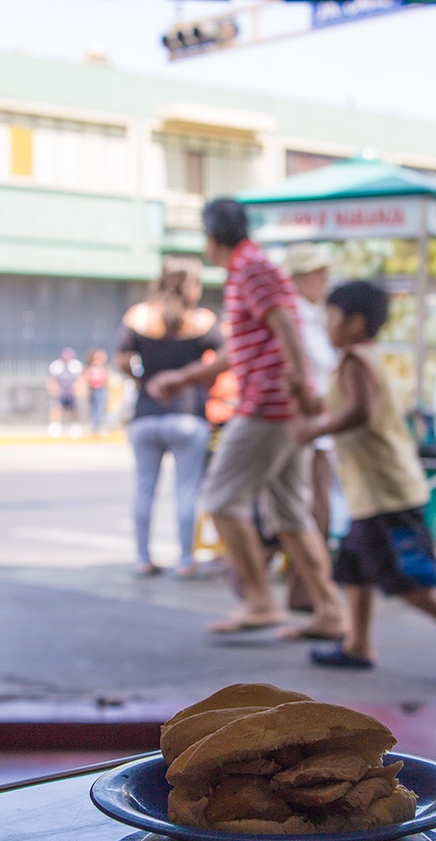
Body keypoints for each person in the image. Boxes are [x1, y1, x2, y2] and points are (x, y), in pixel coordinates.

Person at [147, 198, 345, 639]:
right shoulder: (250, 269)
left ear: (212, 238)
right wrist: (186, 378)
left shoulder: (251, 268)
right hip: (279, 404)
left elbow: (285, 328)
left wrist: (304, 389)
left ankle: (259, 601)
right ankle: (330, 610)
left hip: (268, 406)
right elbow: (246, 347)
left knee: (220, 498)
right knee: (292, 513)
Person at [293, 280, 436, 680]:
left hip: (384, 490)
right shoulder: (356, 360)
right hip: (371, 490)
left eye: (332, 315)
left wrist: (312, 431)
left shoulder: (356, 361)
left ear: (356, 323)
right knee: (355, 567)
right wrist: (301, 398)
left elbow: (359, 412)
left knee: (396, 573)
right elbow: (333, 405)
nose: (326, 323)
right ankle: (357, 645)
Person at [114, 255, 224, 579]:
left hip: (146, 415)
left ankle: (143, 558)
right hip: (187, 416)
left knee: (144, 489)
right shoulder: (202, 320)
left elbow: (121, 359)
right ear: (188, 284)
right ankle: (186, 560)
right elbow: (224, 356)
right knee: (186, 490)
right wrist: (201, 379)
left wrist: (142, 381)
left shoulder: (138, 316)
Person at [283, 242, 339, 612]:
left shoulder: (316, 316)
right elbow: (297, 376)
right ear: (302, 278)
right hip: (302, 431)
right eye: (318, 274)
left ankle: (309, 594)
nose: (324, 281)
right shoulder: (294, 318)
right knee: (304, 513)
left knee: (316, 513)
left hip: (320, 432)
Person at [46, 347, 83, 437]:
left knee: (74, 410)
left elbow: (79, 380)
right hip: (61, 391)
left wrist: (79, 390)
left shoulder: (75, 366)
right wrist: (53, 390)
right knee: (57, 408)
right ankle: (55, 427)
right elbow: (52, 380)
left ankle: (74, 428)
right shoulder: (56, 366)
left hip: (71, 392)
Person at [84, 347, 110, 434]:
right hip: (92, 389)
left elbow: (107, 378)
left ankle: (99, 426)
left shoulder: (104, 366)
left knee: (100, 407)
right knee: (93, 407)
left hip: (101, 388)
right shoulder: (90, 366)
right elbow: (86, 377)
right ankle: (94, 425)